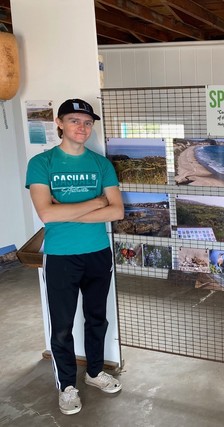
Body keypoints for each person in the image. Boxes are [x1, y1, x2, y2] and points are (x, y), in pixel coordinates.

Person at [25, 99, 124, 415]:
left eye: (87, 122)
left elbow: (117, 210)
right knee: (63, 326)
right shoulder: (42, 164)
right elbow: (45, 214)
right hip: (60, 256)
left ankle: (94, 373)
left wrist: (63, 212)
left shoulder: (101, 164)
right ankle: (67, 385)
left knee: (97, 318)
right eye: (74, 121)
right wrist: (96, 204)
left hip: (97, 253)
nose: (82, 128)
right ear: (59, 123)